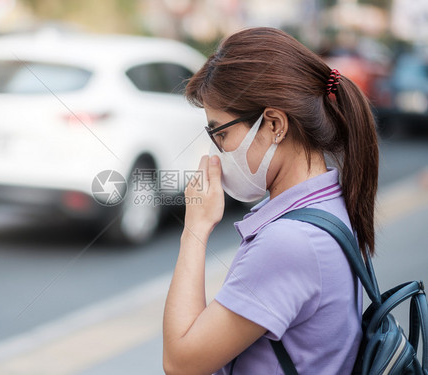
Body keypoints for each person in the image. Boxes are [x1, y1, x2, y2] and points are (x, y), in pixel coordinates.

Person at [162, 27, 379, 375]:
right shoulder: (332, 202)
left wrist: (195, 229)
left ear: (274, 124)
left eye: (221, 134)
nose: (216, 153)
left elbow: (181, 363)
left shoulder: (290, 243)